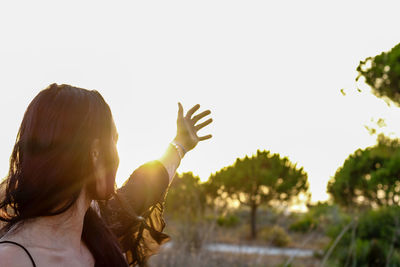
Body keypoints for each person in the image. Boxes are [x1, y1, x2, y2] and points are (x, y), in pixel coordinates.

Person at [0, 84, 213, 267]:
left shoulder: (98, 231)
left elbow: (145, 186)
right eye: (115, 141)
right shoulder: (12, 259)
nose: (118, 156)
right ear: (95, 152)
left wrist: (180, 145)